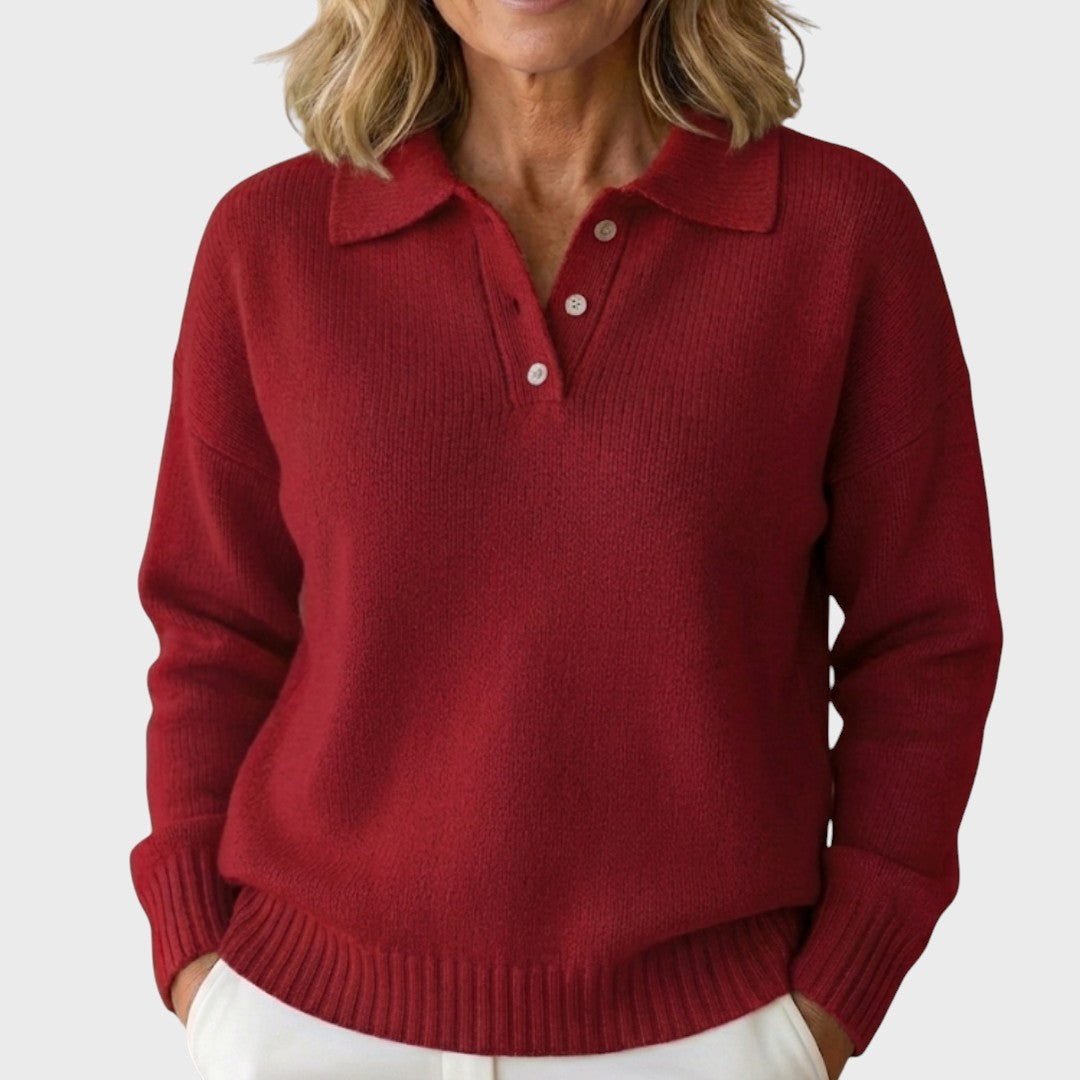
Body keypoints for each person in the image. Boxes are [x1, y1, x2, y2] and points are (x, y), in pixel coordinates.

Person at [129, 2, 1004, 1078]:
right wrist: (200, 965)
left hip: (709, 1034)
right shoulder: (270, 241)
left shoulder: (839, 232)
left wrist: (832, 997)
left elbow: (925, 638)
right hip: (306, 1023)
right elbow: (214, 626)